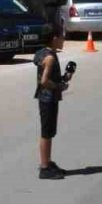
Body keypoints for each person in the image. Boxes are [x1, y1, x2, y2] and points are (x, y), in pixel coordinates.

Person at [34, 25, 69, 179]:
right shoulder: (50, 58)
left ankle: (48, 161)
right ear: (54, 38)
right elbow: (44, 80)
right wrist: (59, 86)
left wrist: (64, 78)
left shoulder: (43, 53)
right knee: (46, 132)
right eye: (61, 37)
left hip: (46, 97)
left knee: (49, 132)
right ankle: (44, 167)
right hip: (48, 98)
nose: (63, 40)